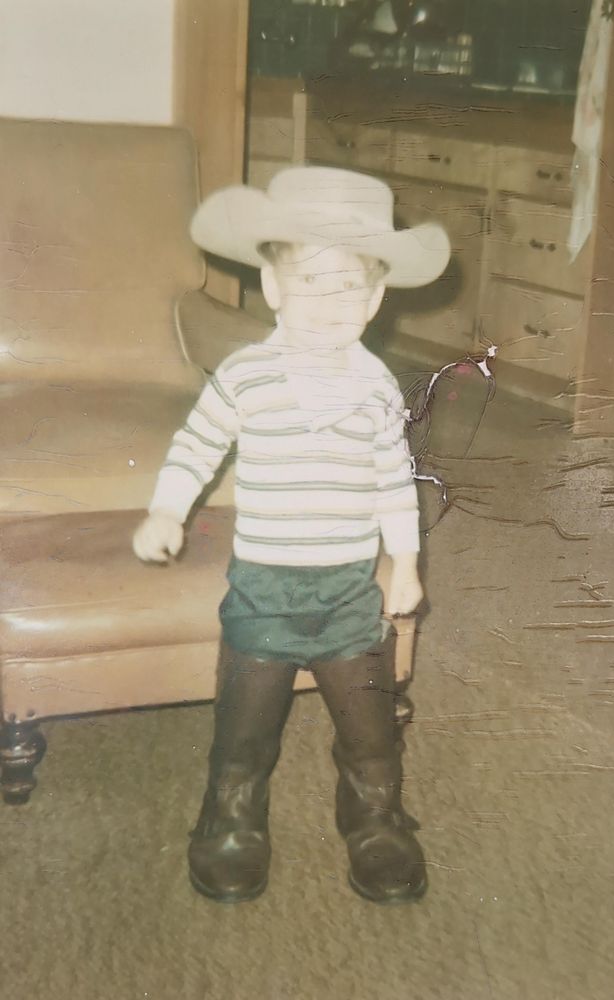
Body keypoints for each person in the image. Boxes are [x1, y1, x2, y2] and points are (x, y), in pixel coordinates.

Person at [133, 166, 450, 904]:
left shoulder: (375, 388)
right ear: (272, 287)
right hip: (263, 592)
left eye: (349, 285)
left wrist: (403, 562)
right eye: (308, 280)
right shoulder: (245, 376)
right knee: (245, 729)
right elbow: (194, 446)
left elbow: (392, 479)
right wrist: (166, 509)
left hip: (348, 592)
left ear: (374, 298)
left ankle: (372, 813)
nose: (328, 303)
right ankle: (232, 813)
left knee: (369, 729)